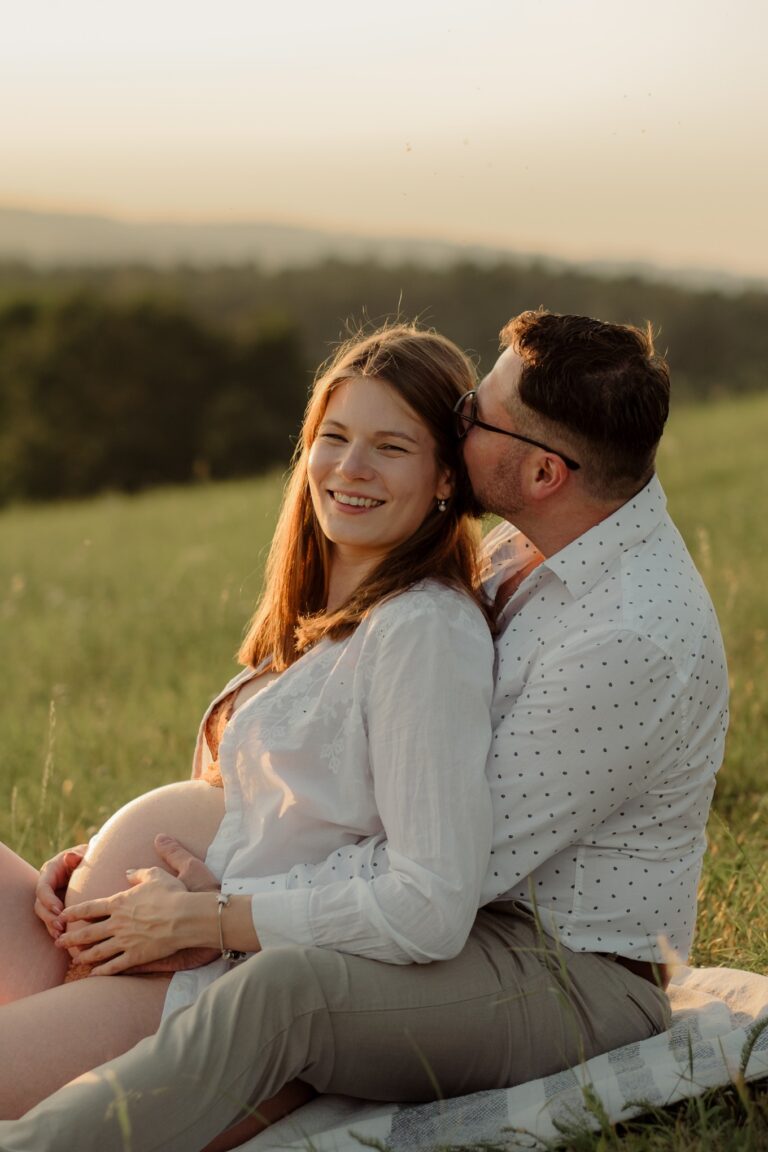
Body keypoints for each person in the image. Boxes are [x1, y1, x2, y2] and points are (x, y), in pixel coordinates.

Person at [0, 310, 729, 1152]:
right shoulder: (529, 548)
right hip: (457, 920)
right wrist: (131, 867)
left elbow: (441, 878)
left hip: (560, 965)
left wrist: (214, 911)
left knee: (285, 994)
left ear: (543, 472)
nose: (458, 421)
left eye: (473, 416)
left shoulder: (629, 640)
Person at [0, 324, 497, 1132]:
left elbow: (423, 895)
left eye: (391, 447)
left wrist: (215, 914)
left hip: (192, 979)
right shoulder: (320, 618)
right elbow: (264, 807)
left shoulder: (422, 631)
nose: (351, 467)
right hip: (116, 937)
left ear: (446, 475)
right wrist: (98, 864)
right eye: (334, 437)